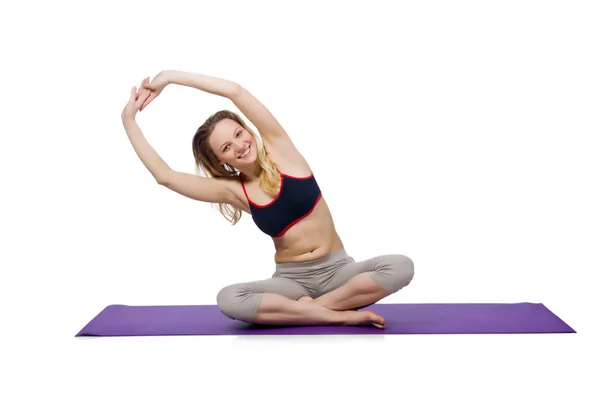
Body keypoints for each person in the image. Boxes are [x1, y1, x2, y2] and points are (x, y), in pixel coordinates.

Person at [120, 70, 415, 329]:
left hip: (339, 271)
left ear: (249, 129)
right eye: (226, 146)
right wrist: (128, 119)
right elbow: (166, 176)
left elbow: (234, 91)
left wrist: (170, 77)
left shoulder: (281, 150)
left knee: (401, 267)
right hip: (290, 281)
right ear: (222, 161)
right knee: (229, 298)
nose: (239, 145)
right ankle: (338, 313)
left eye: (239, 133)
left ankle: (311, 311)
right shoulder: (234, 191)